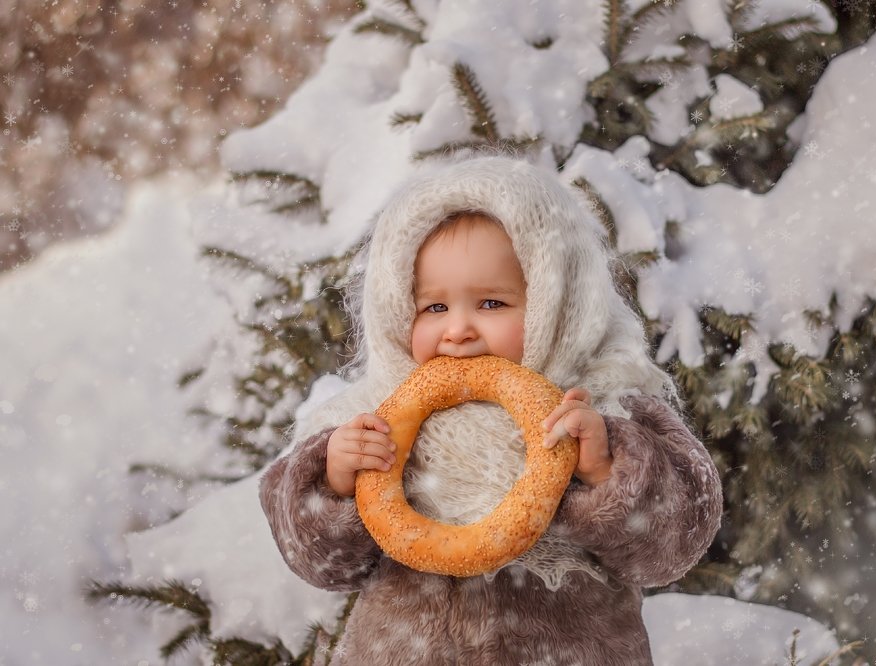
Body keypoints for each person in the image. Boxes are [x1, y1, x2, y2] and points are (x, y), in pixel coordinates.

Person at [259, 156, 723, 665]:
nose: (458, 329)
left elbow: (671, 549)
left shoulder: (607, 409)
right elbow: (320, 565)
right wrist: (333, 481)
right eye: (435, 308)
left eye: (491, 304)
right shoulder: (371, 419)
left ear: (558, 305)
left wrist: (608, 471)